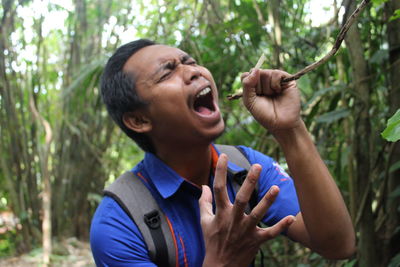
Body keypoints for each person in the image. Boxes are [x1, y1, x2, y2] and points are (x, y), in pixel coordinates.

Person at [90, 39, 356, 266]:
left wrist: (290, 129)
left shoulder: (245, 167)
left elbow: (338, 245)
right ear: (138, 120)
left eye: (191, 61)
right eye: (166, 73)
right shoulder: (117, 224)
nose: (195, 72)